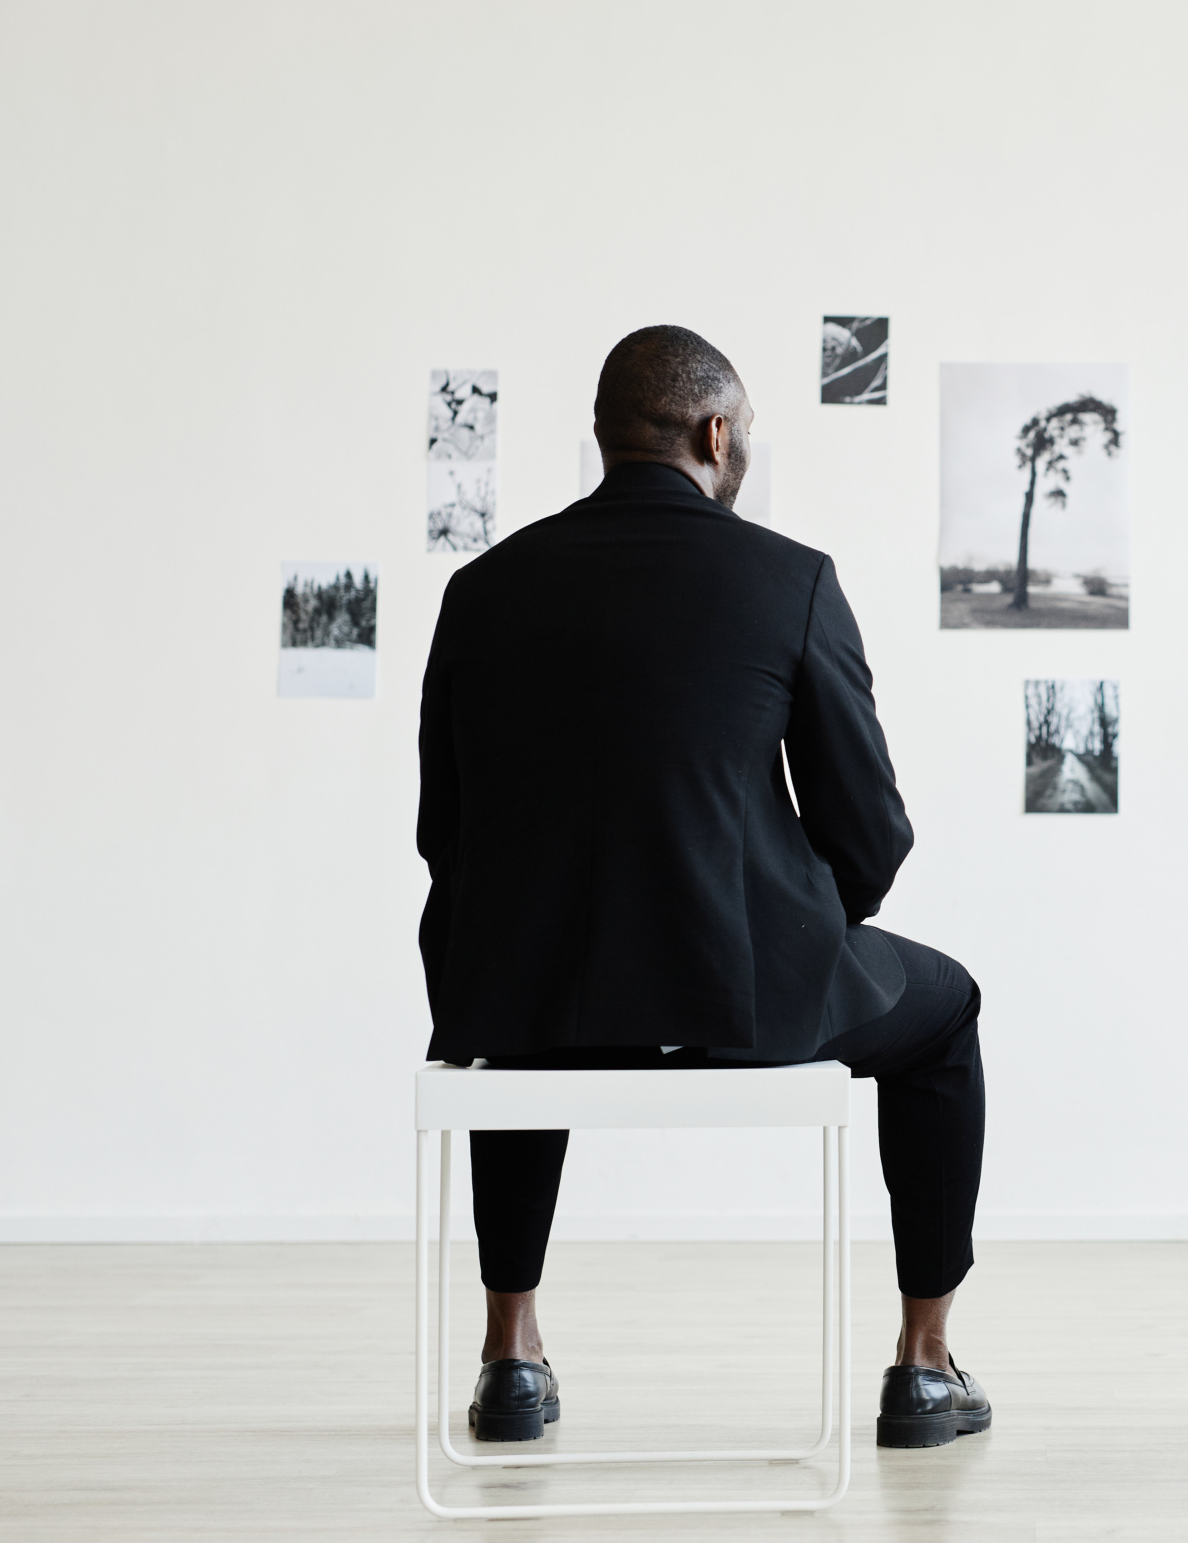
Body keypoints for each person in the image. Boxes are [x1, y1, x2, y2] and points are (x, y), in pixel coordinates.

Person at [416, 325, 992, 1451]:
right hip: (746, 996)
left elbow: (448, 830)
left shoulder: (481, 590)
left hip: (523, 997)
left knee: (521, 997)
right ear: (716, 432)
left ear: (604, 435)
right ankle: (924, 1368)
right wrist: (805, 926)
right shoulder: (789, 580)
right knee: (948, 1009)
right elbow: (870, 829)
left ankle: (510, 1357)